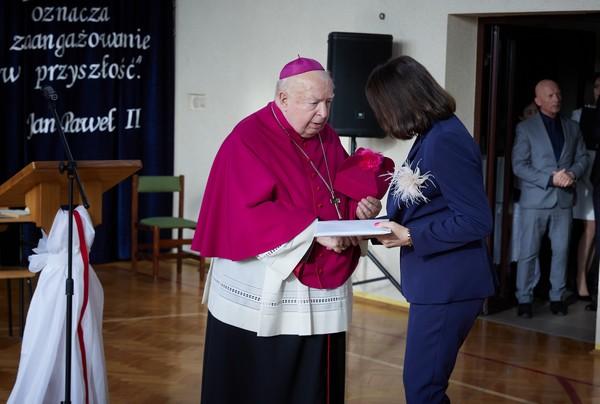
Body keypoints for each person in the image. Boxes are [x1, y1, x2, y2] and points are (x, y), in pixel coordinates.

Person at [191, 57, 385, 404]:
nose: (324, 114)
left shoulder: (326, 137)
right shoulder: (248, 137)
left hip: (322, 279)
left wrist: (359, 209)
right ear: (283, 99)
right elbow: (244, 212)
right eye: (314, 103)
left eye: (329, 102)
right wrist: (313, 232)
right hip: (266, 281)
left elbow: (338, 191)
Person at [365, 55, 496, 404]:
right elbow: (429, 206)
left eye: (380, 107)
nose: (381, 117)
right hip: (437, 282)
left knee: (424, 390)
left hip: (448, 284)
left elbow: (476, 220)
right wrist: (377, 221)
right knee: (423, 386)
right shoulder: (432, 135)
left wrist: (409, 236)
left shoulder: (444, 139)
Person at [512, 79, 589, 317]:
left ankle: (557, 297)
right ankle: (524, 299)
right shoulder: (526, 128)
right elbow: (519, 165)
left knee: (561, 251)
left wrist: (572, 174)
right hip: (535, 201)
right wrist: (550, 179)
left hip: (563, 201)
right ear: (538, 100)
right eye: (550, 95)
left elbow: (583, 158)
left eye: (558, 94)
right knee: (528, 252)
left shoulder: (572, 128)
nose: (556, 99)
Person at [571, 73, 600, 301]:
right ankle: (581, 281)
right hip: (584, 173)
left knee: (595, 229)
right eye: (598, 86)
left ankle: (589, 279)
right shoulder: (579, 115)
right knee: (590, 227)